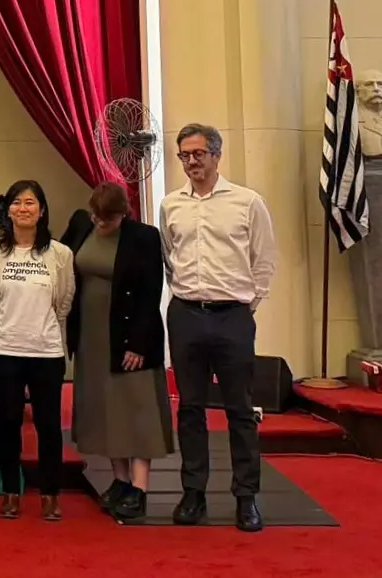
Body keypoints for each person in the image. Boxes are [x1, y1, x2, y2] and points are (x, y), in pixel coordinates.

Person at [160, 124, 277, 532]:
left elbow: (264, 261)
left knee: (240, 411)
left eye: (198, 154)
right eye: (184, 155)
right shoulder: (171, 204)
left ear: (215, 155)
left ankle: (246, 498)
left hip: (233, 317)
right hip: (186, 314)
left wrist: (246, 306)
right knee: (190, 409)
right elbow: (169, 256)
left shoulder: (247, 202)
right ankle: (193, 495)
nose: (191, 162)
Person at [61, 181, 173, 522]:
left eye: (106, 220)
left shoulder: (144, 237)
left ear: (123, 214)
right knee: (105, 412)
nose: (99, 224)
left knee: (136, 411)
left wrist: (139, 343)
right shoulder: (82, 225)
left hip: (128, 337)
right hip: (92, 338)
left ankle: (139, 489)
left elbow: (151, 292)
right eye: (96, 217)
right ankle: (120, 481)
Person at [0, 180, 75, 521]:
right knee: (7, 423)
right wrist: (8, 324)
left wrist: (40, 326)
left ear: (42, 210)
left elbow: (63, 302)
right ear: (8, 210)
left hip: (46, 351)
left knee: (49, 425)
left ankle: (50, 494)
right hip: (4, 348)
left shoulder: (60, 254)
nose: (23, 209)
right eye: (17, 203)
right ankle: (10, 492)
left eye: (30, 202)